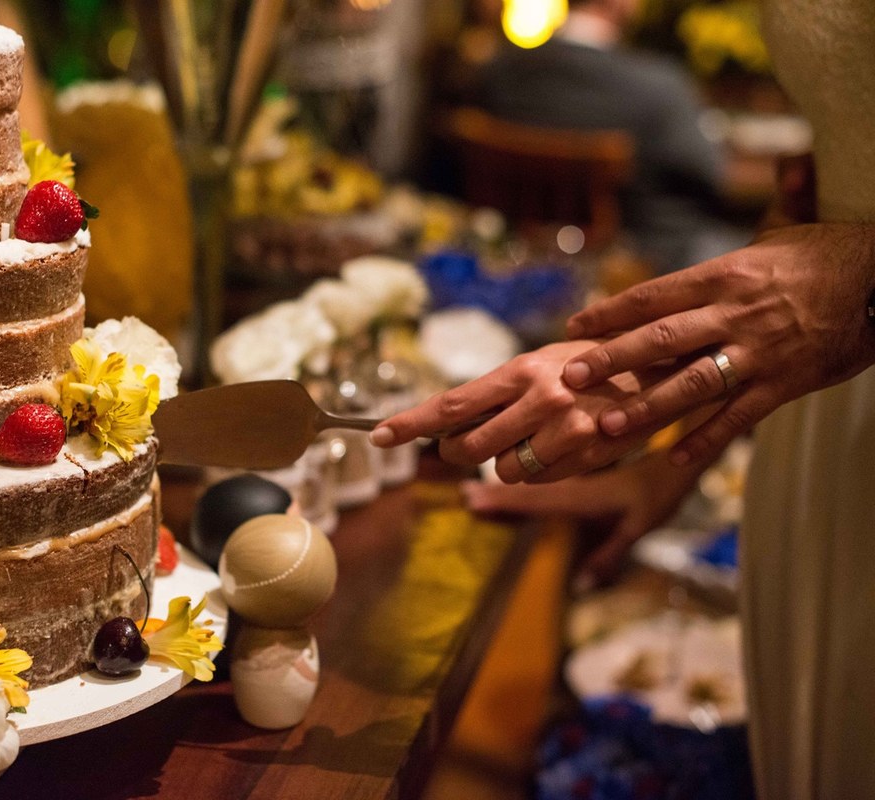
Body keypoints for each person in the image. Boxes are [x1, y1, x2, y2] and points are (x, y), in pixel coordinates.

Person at [375, 0, 875, 795]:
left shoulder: (506, 71)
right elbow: (822, 174)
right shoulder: (659, 89)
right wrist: (674, 449)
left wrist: (855, 286)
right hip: (813, 409)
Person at [451, 0, 748, 273]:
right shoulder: (661, 88)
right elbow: (714, 176)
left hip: (511, 264)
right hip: (641, 273)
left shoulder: (498, 72)